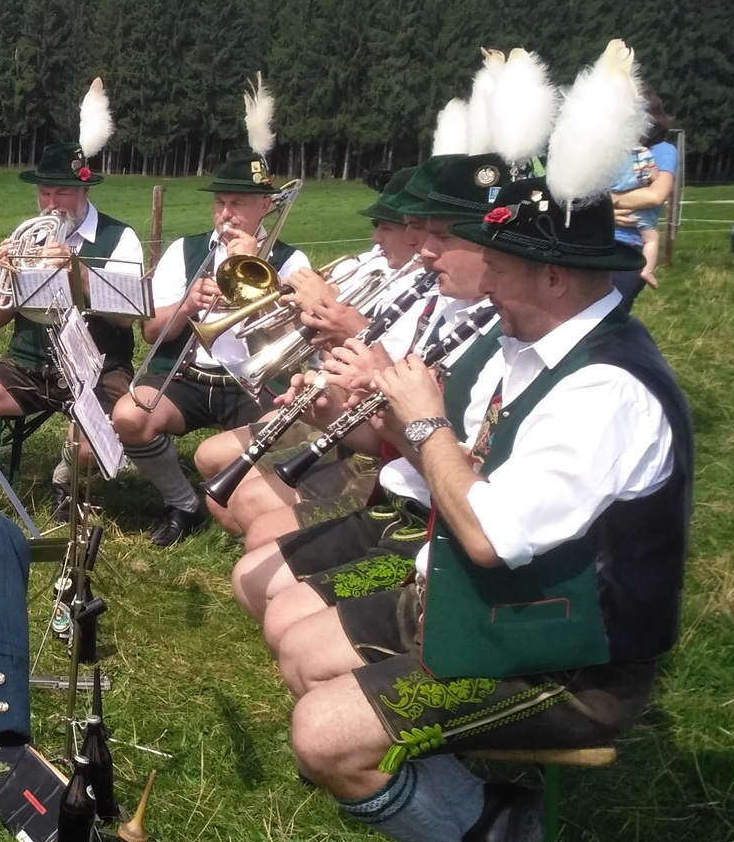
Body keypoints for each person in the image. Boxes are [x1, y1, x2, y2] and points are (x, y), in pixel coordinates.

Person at [279, 174, 689, 842]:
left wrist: (422, 421)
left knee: (321, 732)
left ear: (553, 275)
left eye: (497, 266)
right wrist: (392, 423)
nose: (485, 283)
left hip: (570, 662)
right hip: (491, 605)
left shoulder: (605, 388)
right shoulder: (529, 345)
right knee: (302, 652)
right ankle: (462, 797)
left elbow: (489, 536)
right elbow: (470, 474)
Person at [229, 154, 506, 644]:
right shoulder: (438, 300)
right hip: (397, 476)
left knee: (279, 597)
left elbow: (456, 452)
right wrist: (333, 411)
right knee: (253, 569)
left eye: (435, 235)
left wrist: (361, 349)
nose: (422, 248)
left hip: (426, 504)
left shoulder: (493, 328)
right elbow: (390, 426)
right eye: (417, 229)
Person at [192, 167, 428, 546]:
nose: (375, 238)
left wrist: (333, 317)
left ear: (416, 232)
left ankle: (276, 548)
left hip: (369, 425)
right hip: (330, 400)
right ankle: (268, 547)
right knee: (211, 462)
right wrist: (308, 313)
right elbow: (295, 343)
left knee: (247, 501)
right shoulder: (369, 264)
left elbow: (376, 380)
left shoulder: (421, 291)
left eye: (385, 227)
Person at [111, 148, 309, 546]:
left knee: (286, 432)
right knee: (129, 416)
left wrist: (258, 282)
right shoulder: (185, 250)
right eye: (220, 202)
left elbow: (295, 342)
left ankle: (245, 510)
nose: (226, 214)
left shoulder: (290, 260)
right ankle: (181, 503)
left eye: (238, 203)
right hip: (188, 372)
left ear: (265, 206)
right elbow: (151, 332)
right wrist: (187, 305)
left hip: (257, 380)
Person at [0, 142, 143, 484]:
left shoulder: (120, 237)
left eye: (62, 193)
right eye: (44, 192)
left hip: (99, 369)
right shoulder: (29, 236)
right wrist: (9, 275)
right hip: (30, 364)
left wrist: (77, 270)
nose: (51, 204)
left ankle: (66, 477)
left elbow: (126, 318)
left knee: (89, 446)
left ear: (85, 191)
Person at [608, 84, 677, 307]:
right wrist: (604, 209)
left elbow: (655, 195)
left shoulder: (662, 150)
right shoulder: (605, 150)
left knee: (611, 311)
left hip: (629, 245)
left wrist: (609, 201)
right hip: (591, 239)